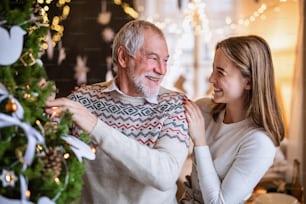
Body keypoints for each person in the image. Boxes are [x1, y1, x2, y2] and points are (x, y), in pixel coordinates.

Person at [45, 20, 190, 204]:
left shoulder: (175, 105)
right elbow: (45, 149)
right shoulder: (83, 98)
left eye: (165, 60)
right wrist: (40, 104)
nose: (162, 70)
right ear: (123, 57)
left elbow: (165, 176)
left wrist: (95, 126)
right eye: (153, 58)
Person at [179, 35, 285, 204]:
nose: (211, 79)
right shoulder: (205, 109)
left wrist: (200, 141)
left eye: (220, 72)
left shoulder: (259, 143)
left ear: (248, 82)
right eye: (213, 69)